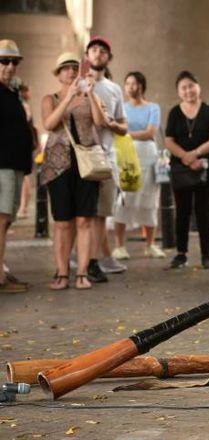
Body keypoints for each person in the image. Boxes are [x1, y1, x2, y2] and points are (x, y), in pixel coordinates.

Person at [40, 52, 106, 290]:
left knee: (84, 221)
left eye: (73, 68)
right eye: (65, 68)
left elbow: (100, 122)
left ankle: (82, 273)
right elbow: (49, 124)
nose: (70, 72)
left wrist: (90, 93)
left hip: (87, 165)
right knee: (62, 223)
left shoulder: (90, 95)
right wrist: (68, 98)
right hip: (58, 167)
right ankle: (61, 272)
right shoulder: (51, 98)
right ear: (58, 74)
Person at [165, 70, 209, 269]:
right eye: (183, 88)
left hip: (205, 168)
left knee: (203, 211)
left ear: (198, 87)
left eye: (191, 86)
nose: (188, 90)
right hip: (181, 168)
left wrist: (195, 154)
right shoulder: (174, 112)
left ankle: (206, 255)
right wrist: (186, 158)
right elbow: (168, 141)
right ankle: (181, 254)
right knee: (182, 211)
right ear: (179, 92)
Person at [84, 36, 128, 283]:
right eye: (94, 50)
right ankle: (82, 259)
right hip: (83, 157)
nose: (98, 54)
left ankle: (94, 262)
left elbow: (123, 125)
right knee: (83, 214)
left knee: (101, 213)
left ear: (109, 58)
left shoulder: (114, 89)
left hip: (107, 158)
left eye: (103, 51)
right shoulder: (79, 84)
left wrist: (112, 123)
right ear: (87, 55)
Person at [112, 71, 165, 260]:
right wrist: (126, 134)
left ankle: (150, 244)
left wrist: (125, 133)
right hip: (126, 154)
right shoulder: (122, 108)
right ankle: (119, 245)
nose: (130, 87)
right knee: (124, 198)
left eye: (133, 84)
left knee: (150, 200)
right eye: (127, 84)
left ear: (142, 86)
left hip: (148, 155)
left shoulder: (153, 108)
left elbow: (150, 132)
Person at [0, 39, 33, 293]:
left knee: (5, 221)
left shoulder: (11, 93)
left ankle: (1, 268)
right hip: (3, 166)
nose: (10, 66)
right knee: (1, 220)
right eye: (4, 61)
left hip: (14, 165)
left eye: (14, 62)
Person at [17, 81, 38, 219]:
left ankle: (23, 207)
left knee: (25, 177)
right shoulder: (23, 105)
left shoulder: (23, 106)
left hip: (23, 145)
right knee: (25, 177)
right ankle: (23, 207)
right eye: (28, 90)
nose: (30, 93)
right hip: (22, 145)